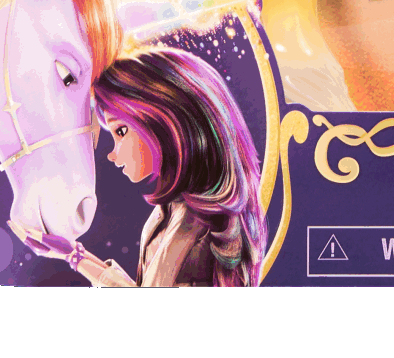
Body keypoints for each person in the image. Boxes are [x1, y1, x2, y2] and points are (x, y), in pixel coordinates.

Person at [60, 47, 266, 287]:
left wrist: (75, 258)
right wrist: (74, 255)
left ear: (163, 120)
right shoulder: (175, 208)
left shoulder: (194, 222)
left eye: (121, 131)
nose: (112, 155)